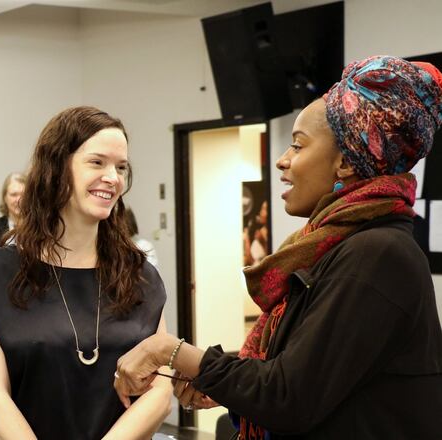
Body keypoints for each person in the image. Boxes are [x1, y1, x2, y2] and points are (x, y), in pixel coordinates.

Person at [114, 56, 442, 439]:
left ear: (346, 164)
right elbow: (302, 370)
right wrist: (216, 376)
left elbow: (288, 395)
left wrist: (171, 351)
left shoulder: (377, 253)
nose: (283, 162)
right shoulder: (346, 245)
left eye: (298, 146)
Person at [0, 106, 173, 440]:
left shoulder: (140, 276)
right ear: (57, 167)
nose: (113, 177)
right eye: (97, 162)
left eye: (121, 167)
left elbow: (160, 393)